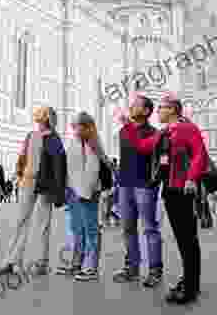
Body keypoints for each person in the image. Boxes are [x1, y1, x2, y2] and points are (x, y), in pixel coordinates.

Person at [120, 92, 208, 304]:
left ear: (173, 110)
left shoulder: (187, 128)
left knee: (188, 239)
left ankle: (191, 287)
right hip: (169, 190)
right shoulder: (163, 133)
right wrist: (128, 125)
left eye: (161, 108)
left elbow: (199, 154)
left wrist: (191, 178)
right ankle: (188, 279)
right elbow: (141, 147)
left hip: (184, 189)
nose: (158, 111)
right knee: (182, 239)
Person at [0, 107, 67, 277]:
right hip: (27, 182)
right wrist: (19, 174)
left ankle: (41, 263)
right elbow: (22, 157)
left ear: (47, 118)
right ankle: (12, 261)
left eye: (42, 113)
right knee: (21, 221)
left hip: (45, 186)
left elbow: (59, 166)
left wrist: (59, 190)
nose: (37, 115)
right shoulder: (31, 136)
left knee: (43, 223)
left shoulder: (54, 139)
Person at [111, 94, 164, 288]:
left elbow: (152, 157)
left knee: (149, 228)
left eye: (135, 105)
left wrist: (153, 183)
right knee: (127, 228)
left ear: (146, 111)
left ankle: (154, 270)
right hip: (125, 186)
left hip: (144, 186)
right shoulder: (124, 131)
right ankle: (132, 268)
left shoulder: (154, 133)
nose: (131, 107)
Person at [59, 111, 107, 282]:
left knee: (91, 229)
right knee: (77, 229)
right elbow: (69, 167)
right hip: (73, 191)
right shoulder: (74, 142)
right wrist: (66, 190)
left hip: (87, 192)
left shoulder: (92, 143)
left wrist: (85, 193)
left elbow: (92, 171)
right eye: (72, 124)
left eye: (76, 125)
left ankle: (91, 267)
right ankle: (76, 263)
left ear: (85, 127)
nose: (72, 127)